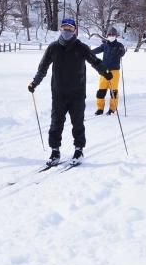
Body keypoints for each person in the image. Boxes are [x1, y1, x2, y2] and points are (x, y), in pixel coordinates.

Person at [28, 18, 112, 166]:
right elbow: (43, 68)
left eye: (70, 28)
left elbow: (95, 61)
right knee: (56, 123)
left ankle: (79, 150)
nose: (67, 31)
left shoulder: (81, 47)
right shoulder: (53, 48)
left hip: (77, 93)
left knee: (77, 123)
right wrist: (35, 82)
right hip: (59, 93)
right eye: (64, 28)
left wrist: (105, 72)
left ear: (75, 30)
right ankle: (55, 151)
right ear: (61, 29)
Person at [92, 26, 126, 114]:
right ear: (107, 35)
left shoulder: (119, 45)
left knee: (113, 92)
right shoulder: (104, 45)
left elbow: (122, 52)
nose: (111, 36)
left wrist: (121, 51)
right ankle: (100, 108)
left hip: (114, 71)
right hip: (104, 71)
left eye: (113, 34)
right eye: (109, 34)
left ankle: (112, 109)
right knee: (101, 91)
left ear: (116, 36)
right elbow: (96, 50)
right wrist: (87, 52)